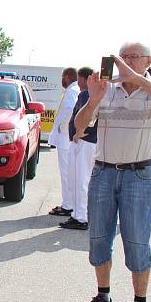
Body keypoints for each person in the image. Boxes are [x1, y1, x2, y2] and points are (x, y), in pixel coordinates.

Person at [73, 42, 151, 302]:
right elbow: (79, 129)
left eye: (133, 57)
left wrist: (137, 79)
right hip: (104, 173)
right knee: (99, 238)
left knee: (136, 242)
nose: (126, 63)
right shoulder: (106, 89)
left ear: (148, 60)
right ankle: (103, 296)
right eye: (122, 58)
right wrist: (93, 100)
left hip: (139, 175)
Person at [60, 67, 96, 230]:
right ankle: (77, 214)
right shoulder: (85, 94)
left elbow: (91, 117)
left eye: (80, 79)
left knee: (81, 180)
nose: (79, 82)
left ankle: (82, 217)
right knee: (76, 178)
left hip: (86, 142)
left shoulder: (89, 94)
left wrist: (80, 132)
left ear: (85, 79)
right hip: (82, 142)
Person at [47, 68, 79, 217]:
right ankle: (70, 203)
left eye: (62, 76)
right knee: (69, 173)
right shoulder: (73, 89)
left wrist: (63, 126)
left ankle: (68, 205)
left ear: (67, 76)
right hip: (66, 138)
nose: (62, 79)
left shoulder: (72, 91)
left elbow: (70, 110)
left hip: (65, 139)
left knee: (66, 173)